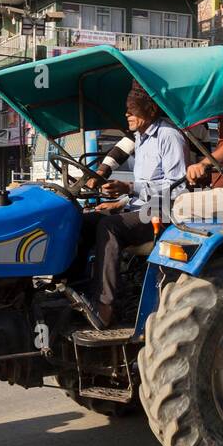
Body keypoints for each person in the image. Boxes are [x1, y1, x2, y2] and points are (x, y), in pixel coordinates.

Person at [80, 83, 186, 328]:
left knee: (109, 226)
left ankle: (104, 306)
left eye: (132, 110)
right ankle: (77, 289)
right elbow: (141, 182)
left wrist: (129, 189)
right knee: (83, 220)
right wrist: (122, 200)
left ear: (149, 110)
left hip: (164, 212)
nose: (127, 115)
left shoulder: (168, 136)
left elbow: (177, 188)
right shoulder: (139, 137)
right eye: (126, 110)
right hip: (140, 208)